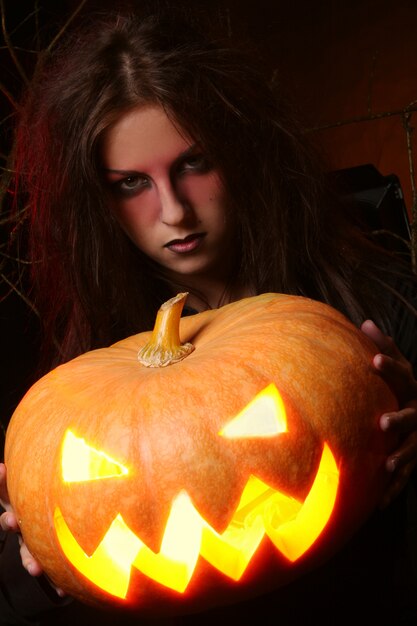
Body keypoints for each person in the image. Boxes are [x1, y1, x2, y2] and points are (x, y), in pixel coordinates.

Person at [1, 5, 417, 625]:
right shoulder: (86, 363)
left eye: (193, 164)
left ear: (245, 151)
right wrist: (39, 560)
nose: (173, 211)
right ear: (97, 199)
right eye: (130, 183)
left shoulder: (378, 309)